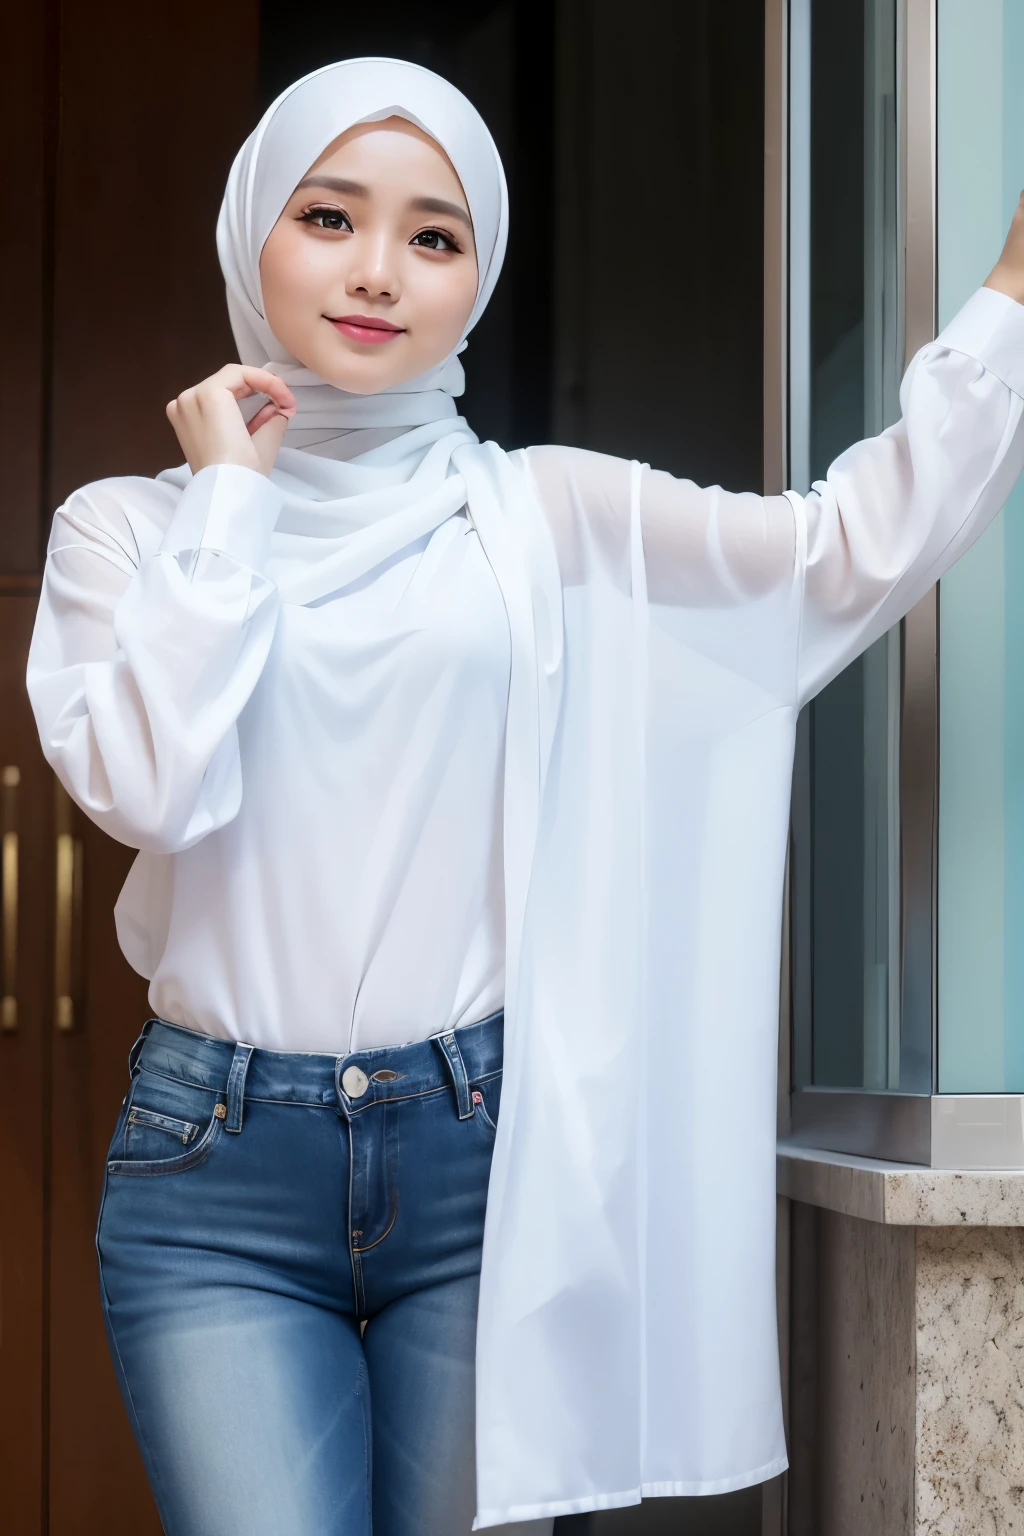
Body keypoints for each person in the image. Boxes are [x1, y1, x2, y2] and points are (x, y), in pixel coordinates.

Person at [25, 56, 1024, 1536]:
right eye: (329, 216)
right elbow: (150, 789)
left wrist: (1007, 300)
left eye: (435, 236)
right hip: (214, 1175)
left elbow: (840, 554)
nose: (378, 272)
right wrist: (233, 500)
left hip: (484, 1166)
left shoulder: (545, 511)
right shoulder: (129, 531)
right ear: (252, 234)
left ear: (477, 277)